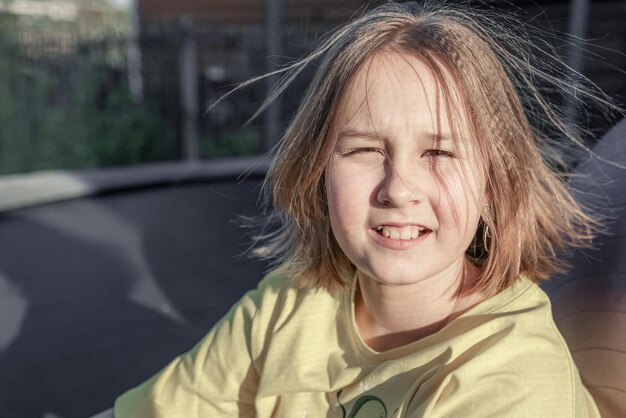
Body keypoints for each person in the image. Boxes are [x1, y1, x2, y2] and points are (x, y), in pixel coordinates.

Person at [114, 1, 610, 416]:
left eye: (438, 153)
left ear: (493, 182)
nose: (399, 189)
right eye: (365, 150)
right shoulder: (290, 304)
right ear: (318, 169)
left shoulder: (512, 377)